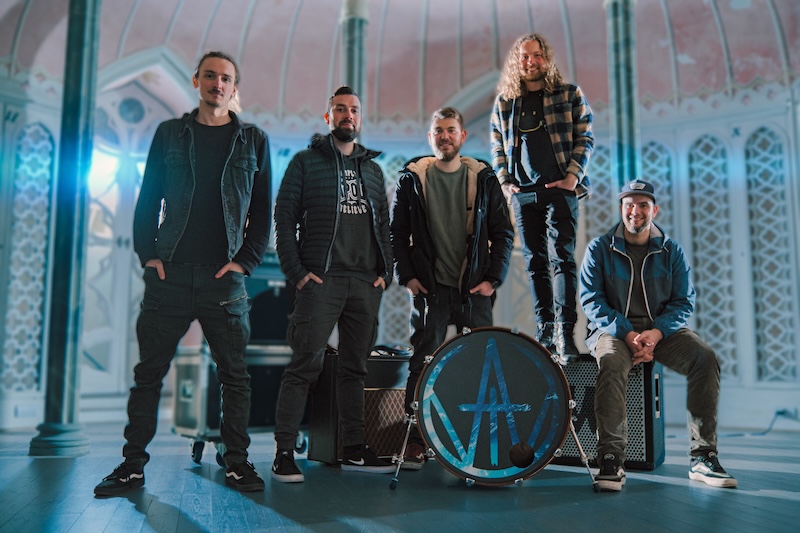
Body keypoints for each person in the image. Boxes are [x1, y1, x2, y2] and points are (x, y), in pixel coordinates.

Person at [94, 51, 272, 496]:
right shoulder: (170, 133)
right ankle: (131, 466)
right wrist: (147, 254)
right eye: (210, 75)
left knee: (235, 377)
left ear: (234, 88)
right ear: (196, 81)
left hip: (224, 280)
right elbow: (148, 194)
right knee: (148, 374)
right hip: (170, 274)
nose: (217, 83)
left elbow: (262, 209)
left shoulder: (254, 140)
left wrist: (246, 261)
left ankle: (236, 462)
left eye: (225, 78)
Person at [579, 179, 737, 492]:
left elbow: (684, 301)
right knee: (610, 363)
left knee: (705, 358)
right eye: (629, 204)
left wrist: (655, 332)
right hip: (613, 329)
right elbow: (590, 300)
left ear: (654, 209)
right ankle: (611, 459)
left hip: (661, 330)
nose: (634, 211)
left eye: (642, 205)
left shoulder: (671, 251)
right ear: (621, 208)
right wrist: (626, 333)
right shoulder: (600, 248)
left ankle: (703, 457)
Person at [271, 86, 394, 483]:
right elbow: (283, 219)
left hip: (364, 284)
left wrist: (384, 272)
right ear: (328, 118)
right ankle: (284, 452)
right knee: (304, 366)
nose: (347, 115)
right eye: (339, 109)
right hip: (321, 280)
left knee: (355, 370)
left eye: (354, 109)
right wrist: (297, 272)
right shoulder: (306, 163)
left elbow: (384, 228)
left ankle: (354, 448)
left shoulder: (373, 171)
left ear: (360, 117)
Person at [390, 107, 515, 469]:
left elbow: (503, 233)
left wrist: (493, 279)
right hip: (430, 289)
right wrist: (407, 276)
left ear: (462, 137)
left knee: (480, 364)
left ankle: (474, 440)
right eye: (438, 131)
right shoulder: (413, 178)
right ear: (430, 139)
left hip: (473, 288)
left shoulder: (484, 178)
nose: (444, 136)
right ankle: (415, 440)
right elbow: (397, 235)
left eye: (451, 130)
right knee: (422, 363)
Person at [490, 33, 593, 364]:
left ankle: (566, 335)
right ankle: (546, 334)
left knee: (562, 259)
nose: (530, 61)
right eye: (523, 56)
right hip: (524, 194)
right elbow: (497, 146)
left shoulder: (568, 94)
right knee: (535, 263)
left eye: (536, 55)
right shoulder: (506, 102)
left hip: (560, 188)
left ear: (546, 59)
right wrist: (506, 183)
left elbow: (585, 136)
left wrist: (573, 175)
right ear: (516, 62)